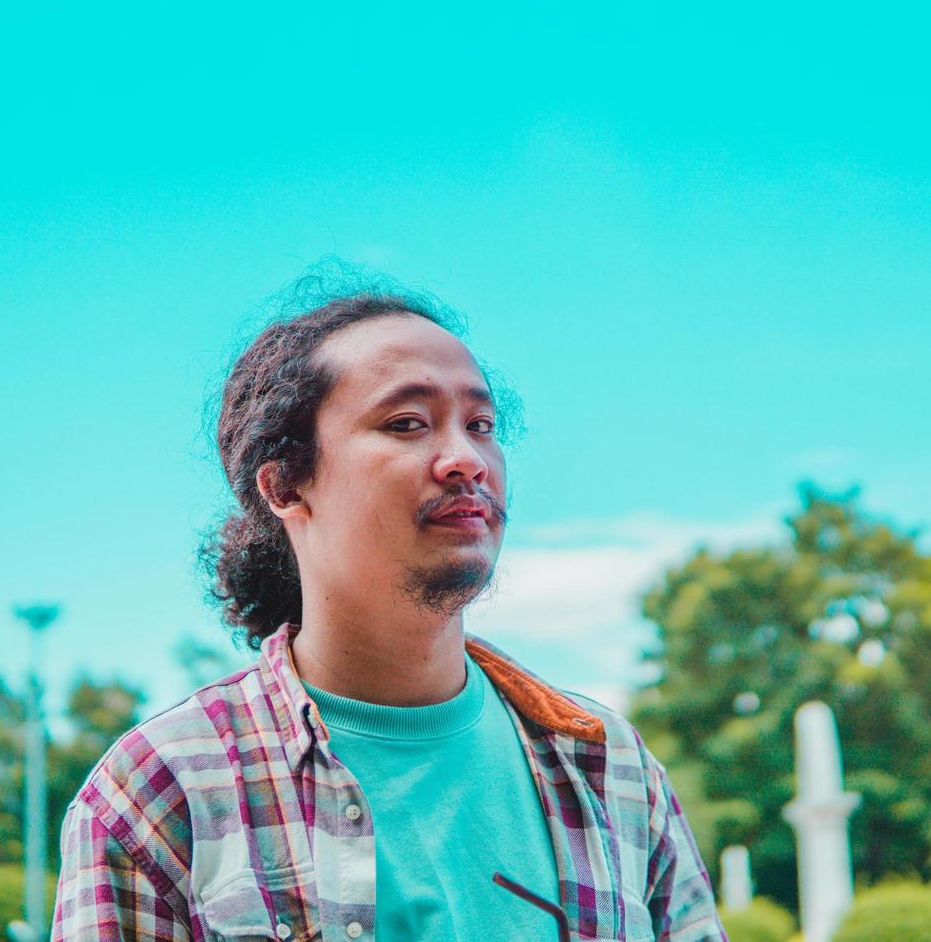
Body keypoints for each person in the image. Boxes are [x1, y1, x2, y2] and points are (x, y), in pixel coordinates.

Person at [52, 266, 726, 941]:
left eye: (481, 424)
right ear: (285, 485)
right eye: (407, 424)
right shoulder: (158, 792)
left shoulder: (612, 769)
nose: (466, 459)